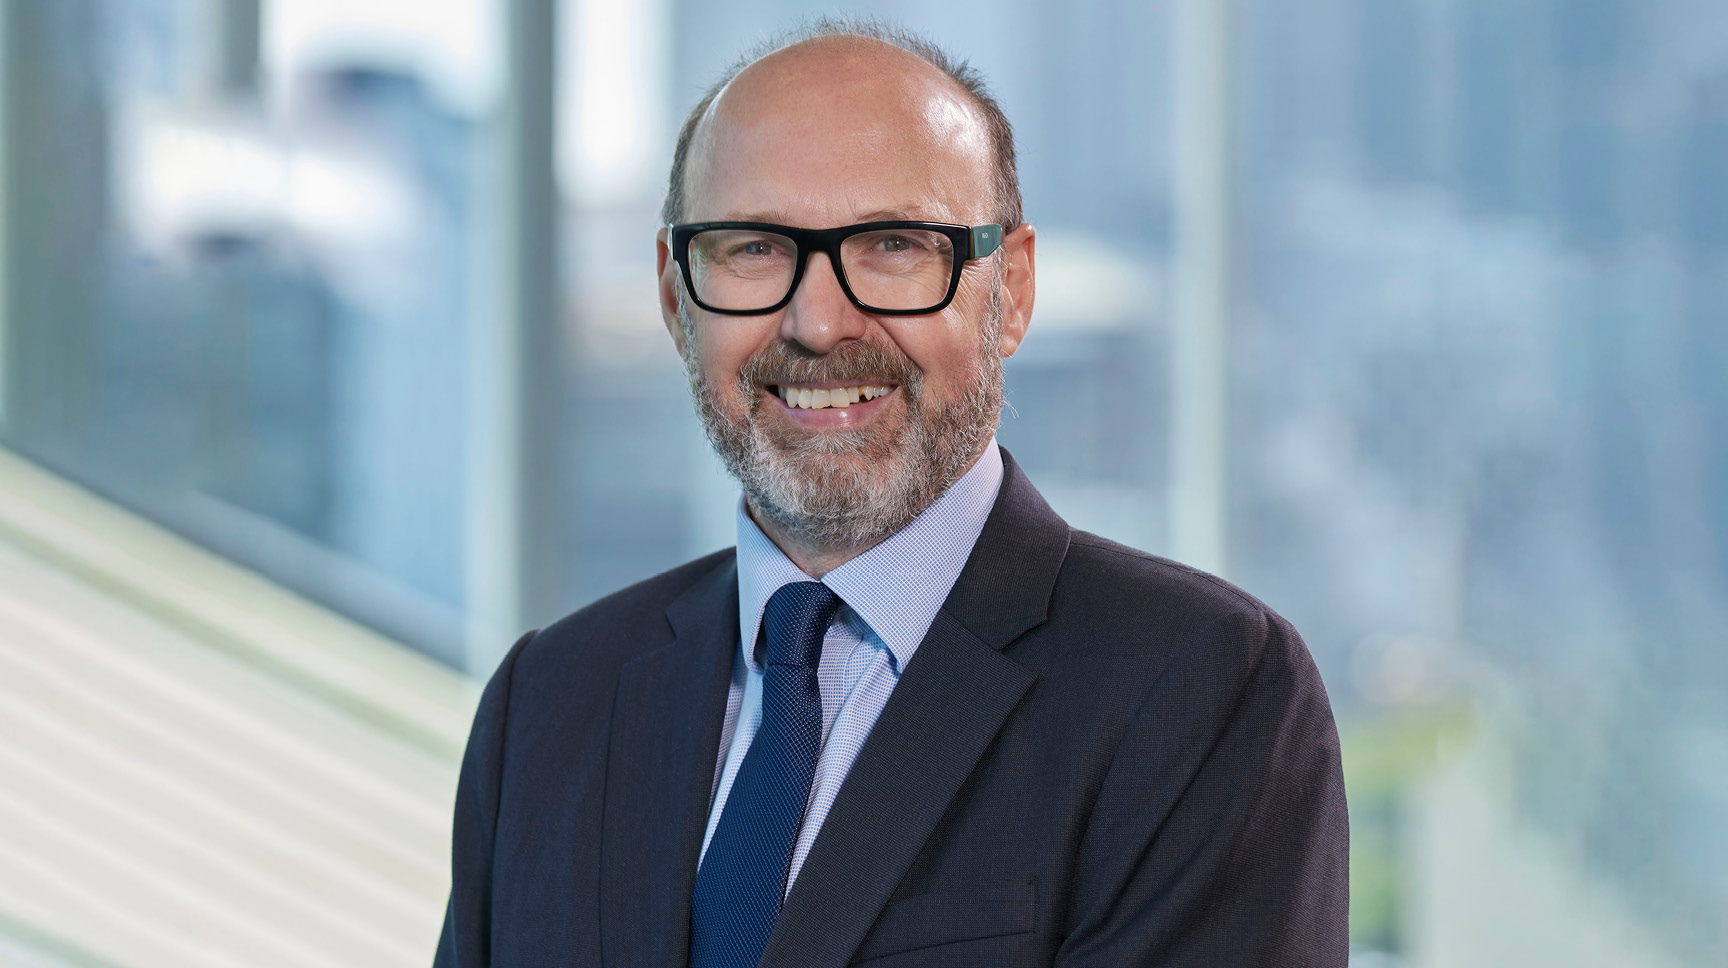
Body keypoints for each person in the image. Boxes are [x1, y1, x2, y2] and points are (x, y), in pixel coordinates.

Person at [435, 19, 1348, 968]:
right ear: (675, 295)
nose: (819, 321)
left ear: (1015, 290)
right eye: (753, 248)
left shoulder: (1201, 691)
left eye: (895, 246)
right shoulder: (547, 703)